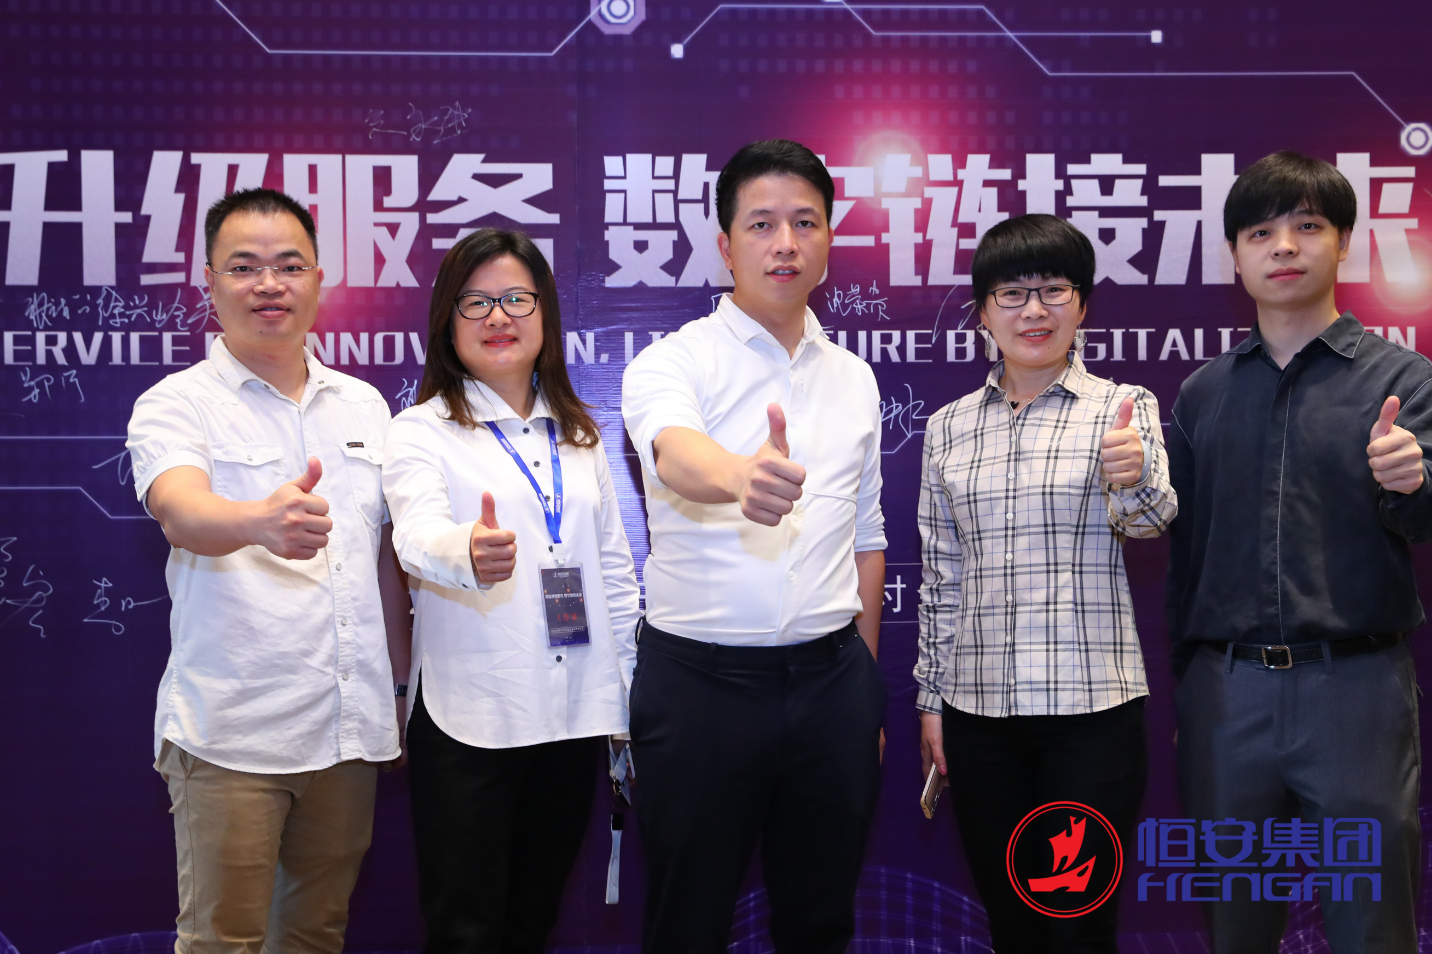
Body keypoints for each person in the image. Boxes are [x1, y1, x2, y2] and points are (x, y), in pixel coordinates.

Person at [620, 139, 887, 954]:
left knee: (820, 922)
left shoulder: (854, 377)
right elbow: (674, 453)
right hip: (701, 689)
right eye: (762, 224)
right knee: (688, 923)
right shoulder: (671, 362)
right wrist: (739, 476)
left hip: (832, 684)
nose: (786, 243)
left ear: (829, 239)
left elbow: (866, 538)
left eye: (806, 222)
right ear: (725, 243)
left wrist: (863, 693)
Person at [125, 188, 409, 954]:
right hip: (233, 735)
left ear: (318, 279)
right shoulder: (176, 404)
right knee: (223, 942)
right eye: (244, 267)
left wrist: (399, 690)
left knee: (315, 935)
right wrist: (258, 520)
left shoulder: (365, 407)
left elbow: (383, 564)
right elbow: (180, 510)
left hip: (347, 732)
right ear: (210, 282)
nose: (269, 284)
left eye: (288, 265)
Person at [1166, 151, 1432, 954]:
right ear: (1234, 255)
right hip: (1227, 694)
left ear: (1343, 242)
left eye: (1307, 226)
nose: (1284, 246)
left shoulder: (1404, 380)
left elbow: (1424, 520)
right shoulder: (1203, 394)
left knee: (1370, 927)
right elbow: (1186, 554)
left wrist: (1414, 480)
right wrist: (1192, 688)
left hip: (1354, 689)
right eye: (1260, 232)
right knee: (1236, 928)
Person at [914, 213, 1177, 953]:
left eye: (1054, 290)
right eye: (1012, 293)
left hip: (1089, 714)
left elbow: (1153, 520)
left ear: (1082, 304)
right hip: (979, 716)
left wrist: (1132, 474)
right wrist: (931, 701)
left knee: (1078, 923)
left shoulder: (1122, 407)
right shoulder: (949, 427)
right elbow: (942, 574)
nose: (1034, 310)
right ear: (983, 312)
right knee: (1011, 923)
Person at [382, 227, 640, 954]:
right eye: (476, 302)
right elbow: (414, 535)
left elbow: (613, 574)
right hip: (471, 716)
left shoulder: (580, 435)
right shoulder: (420, 431)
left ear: (545, 314)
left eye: (516, 299)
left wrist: (628, 699)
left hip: (572, 714)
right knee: (465, 931)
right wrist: (465, 550)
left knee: (533, 923)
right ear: (447, 322)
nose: (498, 317)